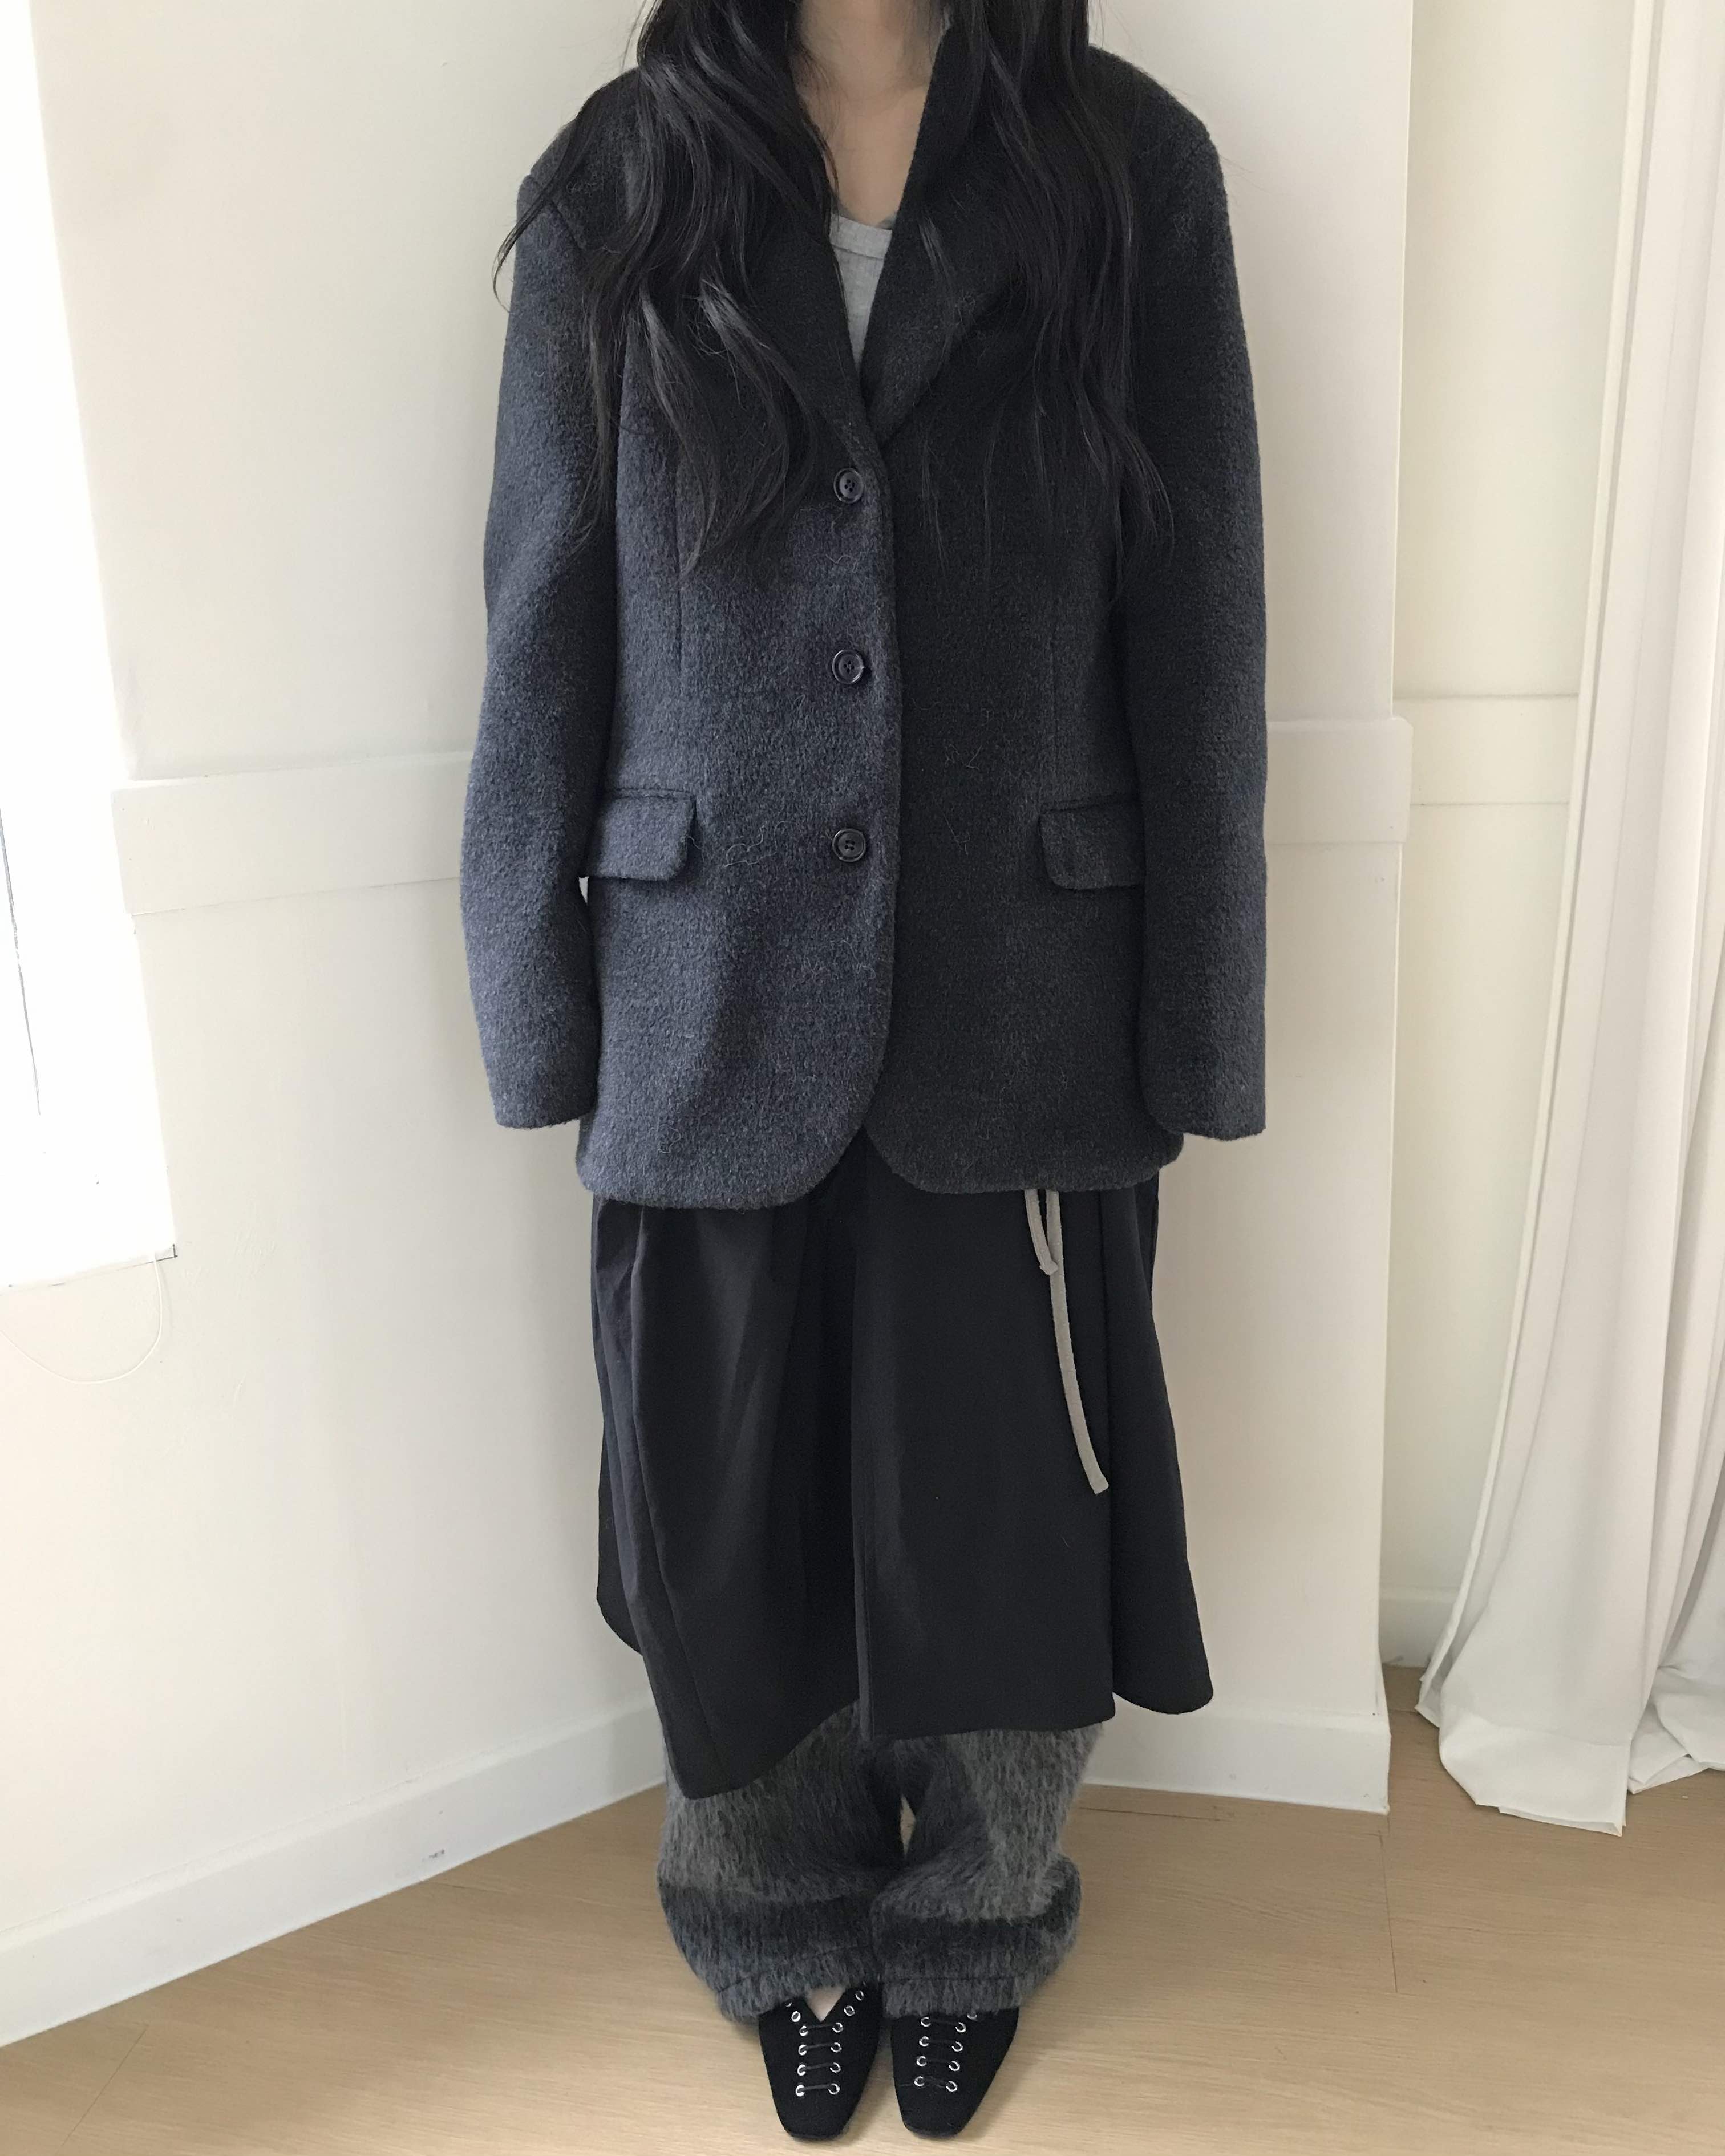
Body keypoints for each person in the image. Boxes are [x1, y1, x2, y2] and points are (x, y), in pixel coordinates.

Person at [460, 0, 1265, 2138]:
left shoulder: (1127, 169)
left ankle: (981, 1919)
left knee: (1011, 1507)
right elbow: (544, 615)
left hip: (1026, 983)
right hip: (705, 984)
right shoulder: (619, 181)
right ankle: (773, 1913)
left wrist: (1203, 1017)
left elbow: (1200, 627)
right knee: (730, 1509)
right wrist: (535, 1003)